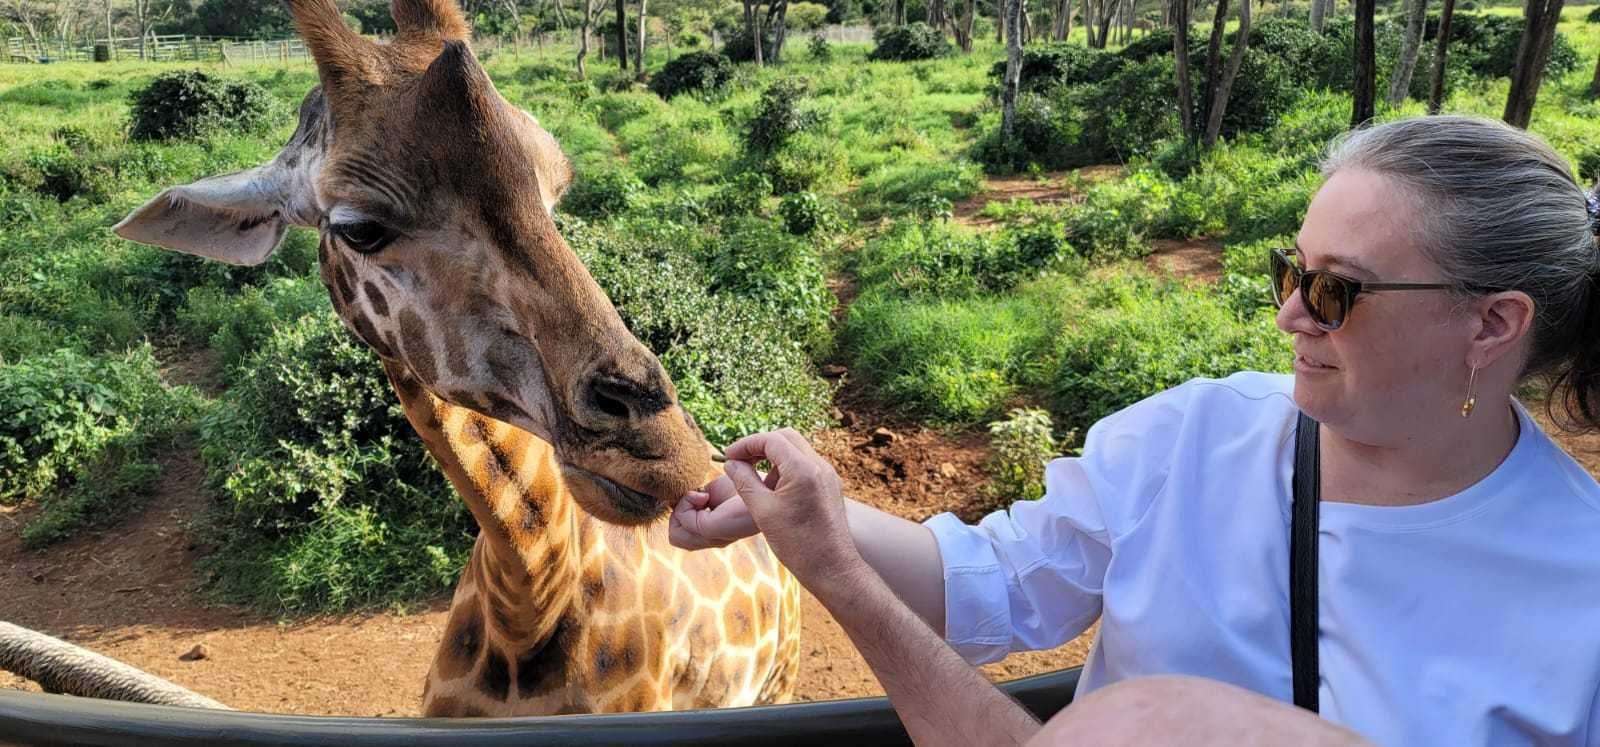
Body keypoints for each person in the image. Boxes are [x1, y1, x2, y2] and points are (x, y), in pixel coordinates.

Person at [669, 115, 1600, 746]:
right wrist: (816, 515)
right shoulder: (1194, 439)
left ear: (1493, 323)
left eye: (1336, 291)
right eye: (1292, 271)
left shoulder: (1580, 586)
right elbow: (985, 585)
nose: (1290, 317)